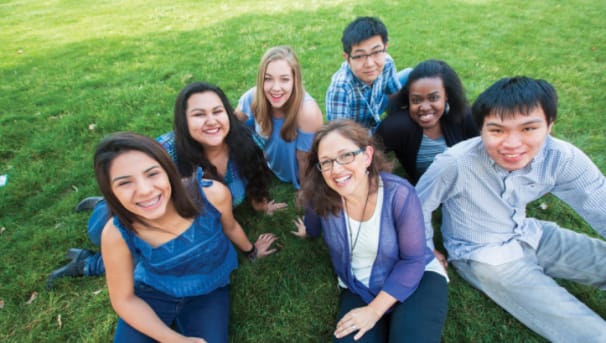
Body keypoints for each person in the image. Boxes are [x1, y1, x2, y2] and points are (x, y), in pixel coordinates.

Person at [416, 76, 606, 342]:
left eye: (528, 129)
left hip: (531, 233)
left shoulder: (562, 158)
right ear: (481, 130)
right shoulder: (455, 163)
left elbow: (599, 200)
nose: (512, 144)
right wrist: (425, 249)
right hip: (483, 255)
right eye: (497, 130)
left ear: (549, 126)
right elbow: (416, 206)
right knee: (590, 332)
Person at [48, 82, 281, 287]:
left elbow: (255, 176)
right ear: (184, 121)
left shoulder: (246, 140)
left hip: (179, 212)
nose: (211, 121)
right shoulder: (166, 151)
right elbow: (131, 176)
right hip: (148, 215)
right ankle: (90, 263)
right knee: (148, 257)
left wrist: (261, 205)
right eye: (199, 114)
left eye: (217, 111)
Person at [94, 131, 265, 342]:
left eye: (152, 173)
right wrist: (173, 339)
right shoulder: (115, 233)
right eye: (125, 182)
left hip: (209, 289)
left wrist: (252, 251)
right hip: (153, 291)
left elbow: (230, 227)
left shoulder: (212, 195)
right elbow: (124, 299)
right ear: (110, 191)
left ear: (168, 171)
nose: (145, 190)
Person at [293, 120, 448, 342]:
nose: (336, 169)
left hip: (417, 276)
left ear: (367, 156)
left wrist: (373, 311)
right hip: (358, 284)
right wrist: (307, 231)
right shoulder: (322, 197)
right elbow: (314, 224)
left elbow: (413, 260)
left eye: (346, 155)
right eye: (326, 162)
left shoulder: (399, 194)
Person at [375, 59, 478, 184]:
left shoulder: (464, 115)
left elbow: (484, 151)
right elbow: (369, 156)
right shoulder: (397, 126)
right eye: (416, 100)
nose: (424, 107)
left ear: (446, 96)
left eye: (433, 98)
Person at [235, 45, 323, 190]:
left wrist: (304, 192)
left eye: (284, 79)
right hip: (270, 164)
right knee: (242, 126)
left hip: (295, 171)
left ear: (295, 80)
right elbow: (231, 125)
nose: (276, 88)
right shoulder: (253, 96)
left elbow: (304, 159)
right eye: (268, 79)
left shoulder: (307, 111)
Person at [325, 16, 411, 132]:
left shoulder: (387, 62)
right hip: (356, 129)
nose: (370, 64)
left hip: (375, 107)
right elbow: (339, 134)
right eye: (359, 56)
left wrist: (400, 118)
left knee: (409, 75)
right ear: (347, 58)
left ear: (385, 48)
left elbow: (393, 93)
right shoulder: (340, 87)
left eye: (376, 52)